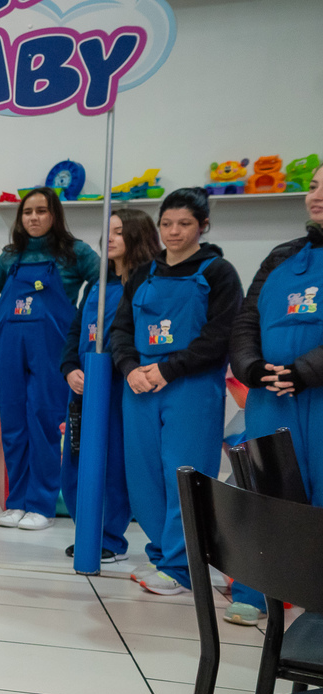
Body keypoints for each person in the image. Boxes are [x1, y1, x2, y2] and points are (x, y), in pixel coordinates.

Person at [109, 187, 243, 595]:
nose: (174, 232)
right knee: (145, 475)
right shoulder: (145, 272)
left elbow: (219, 336)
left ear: (202, 226)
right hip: (140, 388)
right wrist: (130, 368)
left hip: (190, 387)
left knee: (183, 474)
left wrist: (167, 369)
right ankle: (162, 556)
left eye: (184, 224)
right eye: (167, 223)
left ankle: (184, 567)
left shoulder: (218, 273)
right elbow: (121, 329)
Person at [226, 163, 323, 625]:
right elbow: (246, 320)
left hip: (319, 399)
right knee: (265, 494)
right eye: (315, 185)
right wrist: (253, 368)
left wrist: (305, 371)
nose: (317, 195)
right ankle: (254, 589)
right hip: (270, 398)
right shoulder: (281, 255)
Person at [0, 187, 99, 531]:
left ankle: (42, 505)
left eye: (41, 211)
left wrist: (83, 326)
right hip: (8, 349)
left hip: (53, 351)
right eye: (28, 212)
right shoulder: (9, 256)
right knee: (14, 426)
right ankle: (16, 501)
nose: (34, 217)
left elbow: (106, 284)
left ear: (54, 215)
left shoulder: (75, 253)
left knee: (44, 425)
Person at [60, 208, 159, 562]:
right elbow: (75, 331)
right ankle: (86, 527)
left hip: (120, 388)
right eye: (109, 231)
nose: (111, 238)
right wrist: (70, 367)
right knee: (76, 461)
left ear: (137, 235)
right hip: (84, 386)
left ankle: (110, 538)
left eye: (119, 231)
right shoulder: (96, 283)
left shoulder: (148, 283)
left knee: (114, 463)